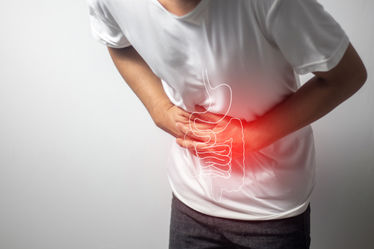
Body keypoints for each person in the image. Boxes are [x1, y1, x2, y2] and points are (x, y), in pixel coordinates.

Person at [86, 0, 367, 248]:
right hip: (191, 203)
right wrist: (158, 106)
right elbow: (115, 40)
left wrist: (253, 136)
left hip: (271, 212)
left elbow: (348, 74)